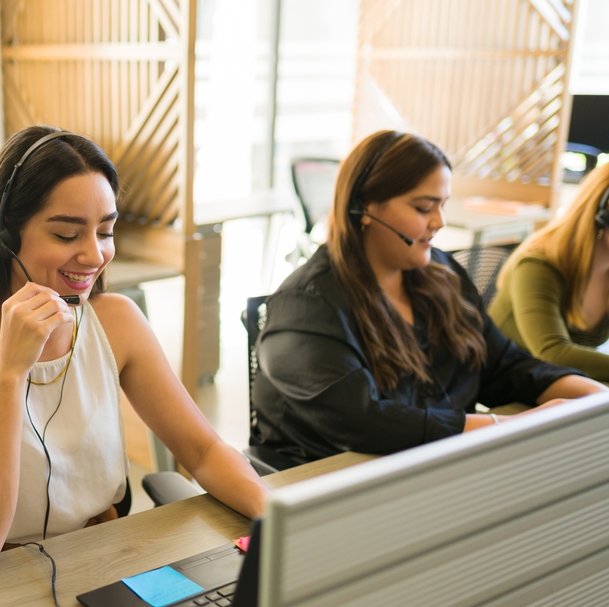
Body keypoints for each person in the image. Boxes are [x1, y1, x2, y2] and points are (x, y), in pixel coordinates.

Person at [0, 126, 269, 607]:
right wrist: (9, 374)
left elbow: (204, 451)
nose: (94, 255)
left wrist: (281, 524)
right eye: (67, 233)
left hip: (102, 560)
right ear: (6, 233)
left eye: (106, 230)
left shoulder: (116, 322)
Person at [250, 130, 606, 468]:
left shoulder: (440, 274)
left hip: (435, 466)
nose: (439, 221)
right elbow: (366, 421)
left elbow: (501, 365)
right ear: (366, 207)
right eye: (423, 208)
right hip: (336, 481)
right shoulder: (307, 305)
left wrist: (593, 397)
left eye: (442, 205)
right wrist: (504, 426)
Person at [489, 164, 609, 380]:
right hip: (510, 388)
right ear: (602, 214)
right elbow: (555, 354)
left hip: (562, 385)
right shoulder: (538, 265)